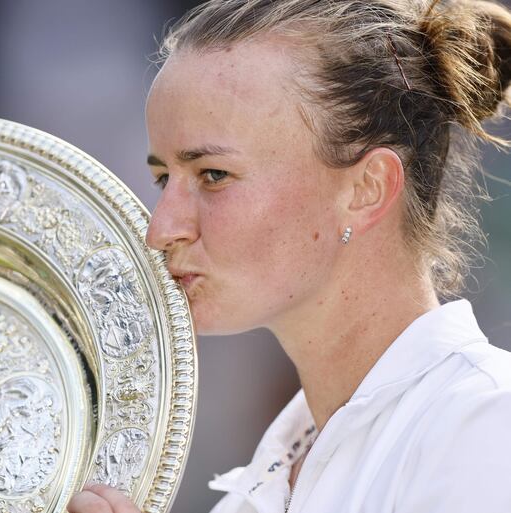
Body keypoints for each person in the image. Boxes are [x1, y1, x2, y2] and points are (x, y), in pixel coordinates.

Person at [67, 0, 511, 512]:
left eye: (213, 175)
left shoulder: (484, 428)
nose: (161, 229)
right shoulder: (263, 481)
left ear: (367, 188)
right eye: (164, 179)